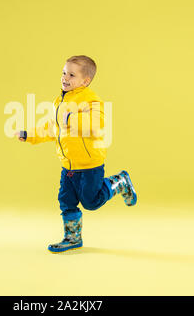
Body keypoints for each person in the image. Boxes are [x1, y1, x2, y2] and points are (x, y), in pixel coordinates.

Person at [15, 55, 137, 253]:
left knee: (91, 202)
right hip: (68, 165)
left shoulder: (91, 100)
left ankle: (120, 182)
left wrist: (71, 118)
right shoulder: (60, 101)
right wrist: (29, 135)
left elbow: (97, 125)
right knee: (66, 200)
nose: (65, 78)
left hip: (89, 164)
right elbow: (52, 129)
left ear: (85, 81)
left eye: (71, 75)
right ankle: (72, 237)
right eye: (64, 73)